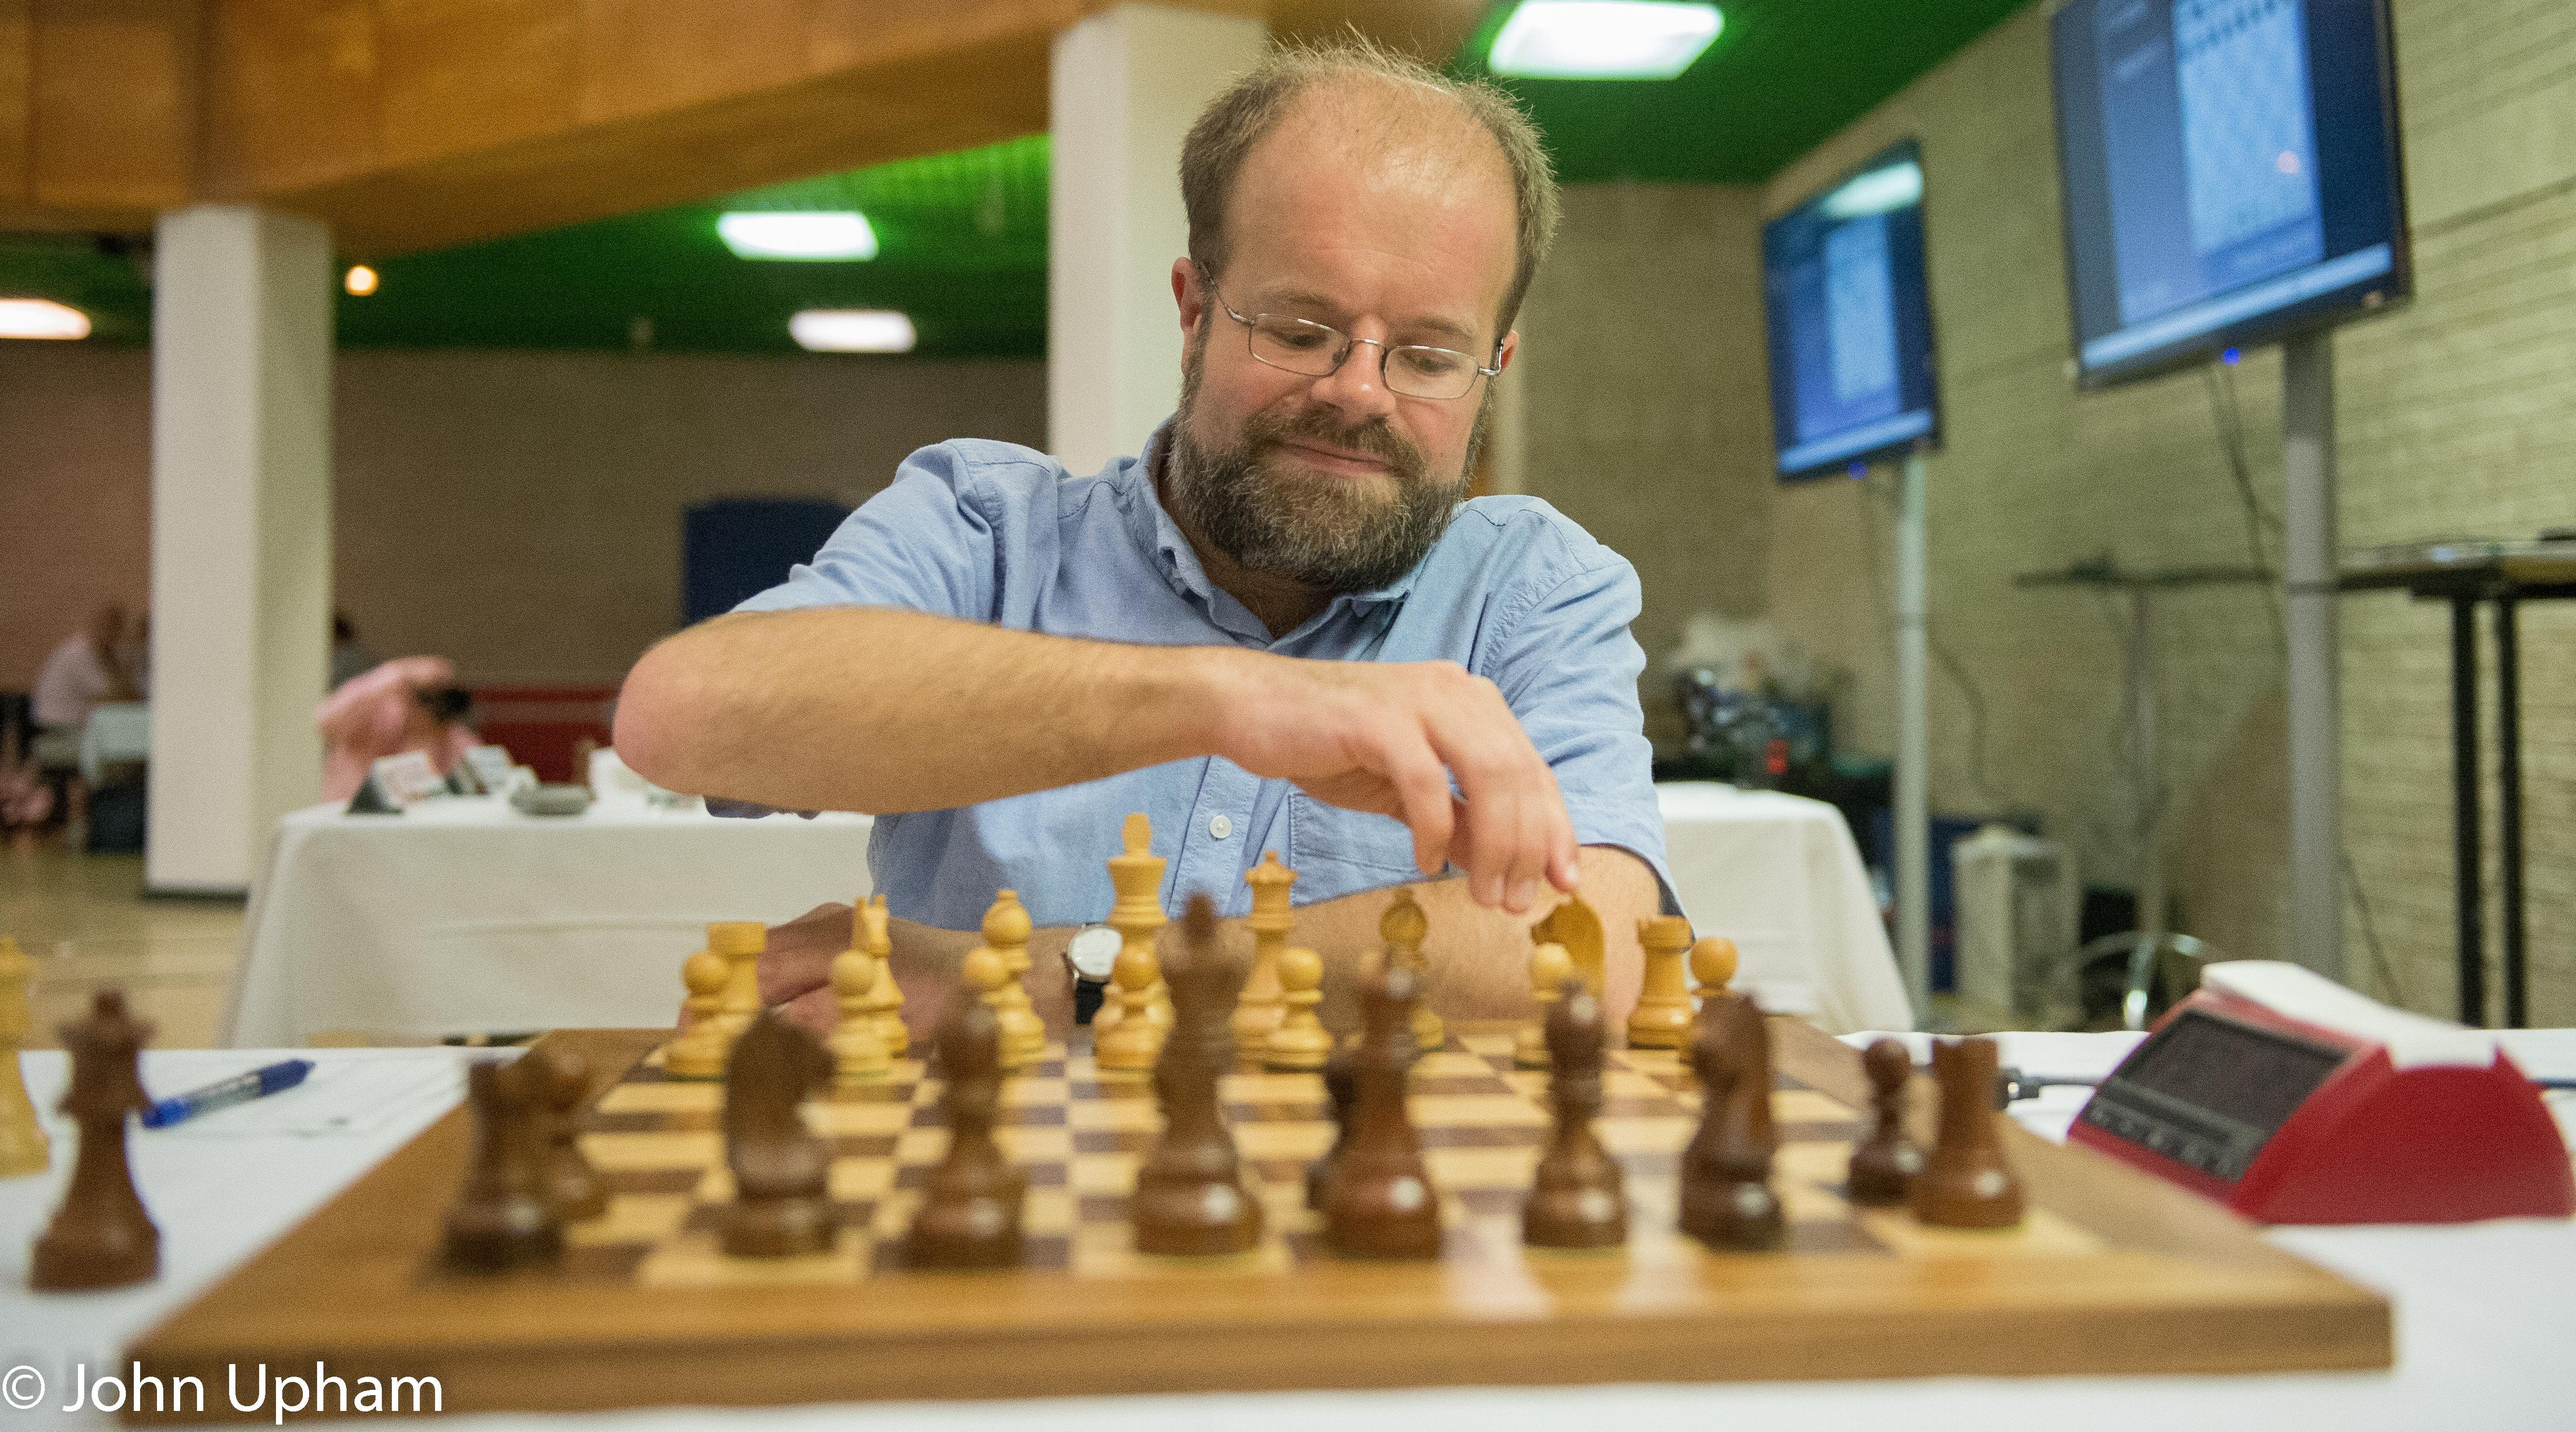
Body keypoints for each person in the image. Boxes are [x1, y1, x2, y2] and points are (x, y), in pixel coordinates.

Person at [616, 40, 1674, 1039]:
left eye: (1430, 356)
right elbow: (683, 719)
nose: (1359, 392)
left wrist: (1055, 976)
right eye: (1301, 331)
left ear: (1494, 363)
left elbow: (1600, 941)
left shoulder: (1532, 587)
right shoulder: (987, 529)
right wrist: (1225, 700)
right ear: (1193, 310)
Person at [317, 656, 480, 803]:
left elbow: (480, 775)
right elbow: (325, 720)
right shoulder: (375, 717)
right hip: (349, 817)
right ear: (408, 698)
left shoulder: (453, 737)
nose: (430, 717)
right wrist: (399, 672)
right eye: (425, 702)